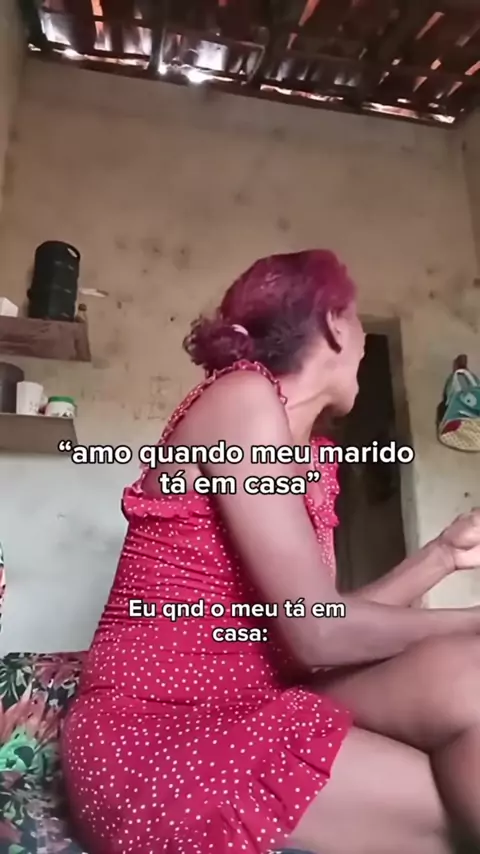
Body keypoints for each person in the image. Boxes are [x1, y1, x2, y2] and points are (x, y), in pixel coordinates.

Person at [62, 250, 480, 854]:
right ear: (334, 323)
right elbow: (319, 633)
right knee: (453, 797)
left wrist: (441, 555)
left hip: (257, 698)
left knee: (467, 679)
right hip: (157, 728)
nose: (364, 345)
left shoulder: (306, 458)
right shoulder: (242, 400)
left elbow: (322, 622)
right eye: (358, 324)